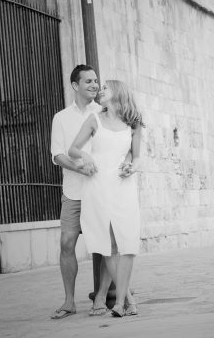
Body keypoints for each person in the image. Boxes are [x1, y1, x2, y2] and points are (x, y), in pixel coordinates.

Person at [69, 79, 143, 317]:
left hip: (123, 185)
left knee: (128, 241)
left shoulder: (133, 123)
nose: (100, 91)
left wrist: (131, 166)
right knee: (109, 244)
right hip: (98, 186)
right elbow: (73, 149)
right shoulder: (94, 120)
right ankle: (124, 302)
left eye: (105, 88)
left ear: (118, 92)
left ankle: (124, 301)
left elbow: (136, 156)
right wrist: (85, 157)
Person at [50, 65, 114, 319]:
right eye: (88, 81)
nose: (94, 85)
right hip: (73, 191)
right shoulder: (61, 118)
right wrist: (80, 166)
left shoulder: (103, 113)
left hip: (99, 190)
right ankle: (69, 301)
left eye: (96, 80)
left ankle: (100, 297)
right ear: (75, 85)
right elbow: (58, 155)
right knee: (67, 243)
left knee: (102, 245)